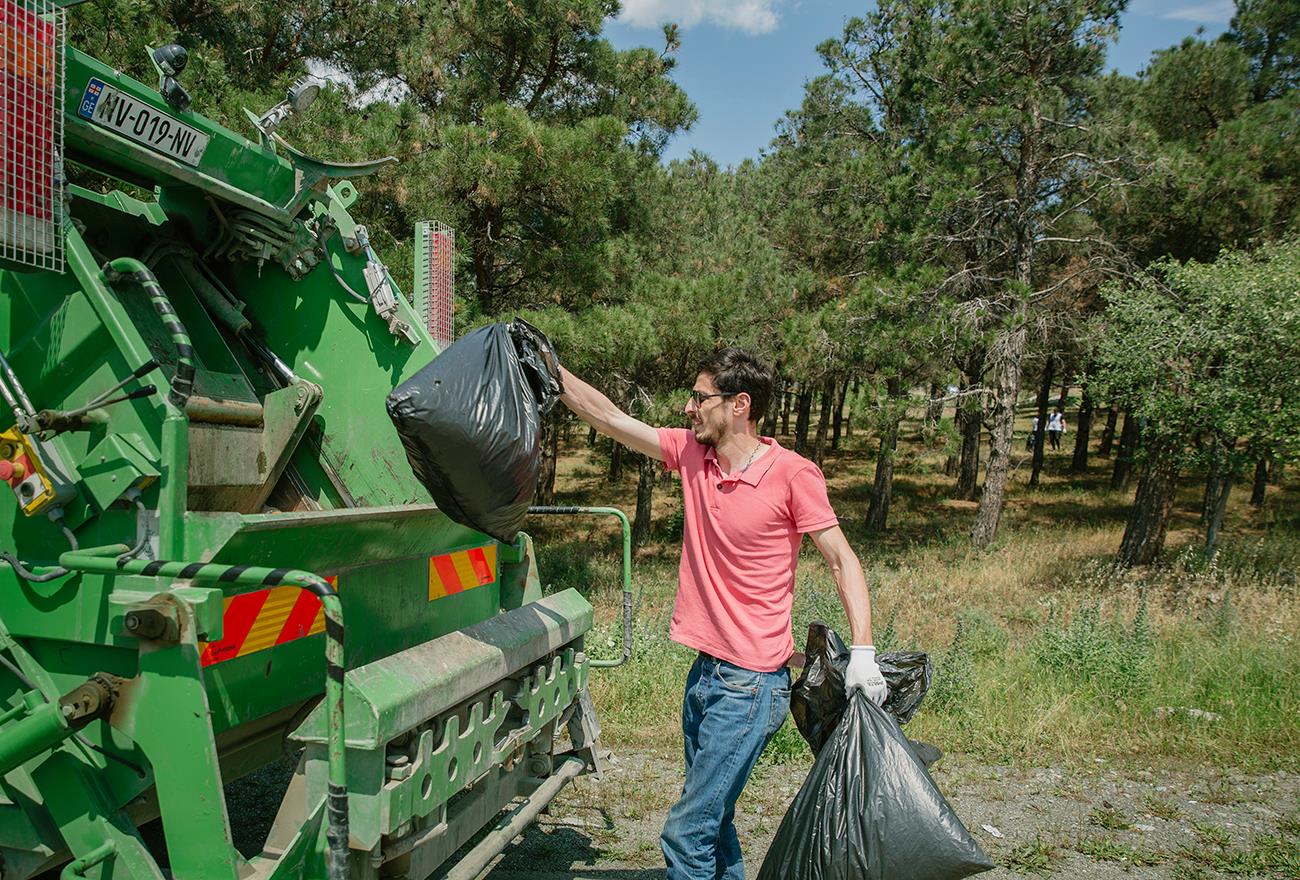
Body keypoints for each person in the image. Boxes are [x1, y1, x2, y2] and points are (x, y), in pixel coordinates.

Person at [557, 348, 887, 880]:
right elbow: (611, 418)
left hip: (751, 688)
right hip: (705, 674)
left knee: (687, 832)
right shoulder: (693, 454)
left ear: (739, 404)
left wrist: (864, 650)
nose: (688, 407)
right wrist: (551, 368)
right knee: (716, 823)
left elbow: (841, 559)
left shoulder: (792, 475)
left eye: (699, 397)